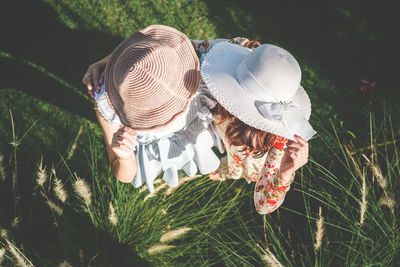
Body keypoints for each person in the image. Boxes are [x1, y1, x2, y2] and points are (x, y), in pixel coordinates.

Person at [83, 28, 316, 214]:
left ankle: (225, 169)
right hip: (215, 128)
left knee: (241, 168)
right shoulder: (219, 54)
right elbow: (150, 59)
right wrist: (115, 63)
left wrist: (285, 173)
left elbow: (263, 204)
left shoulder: (275, 137)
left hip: (246, 149)